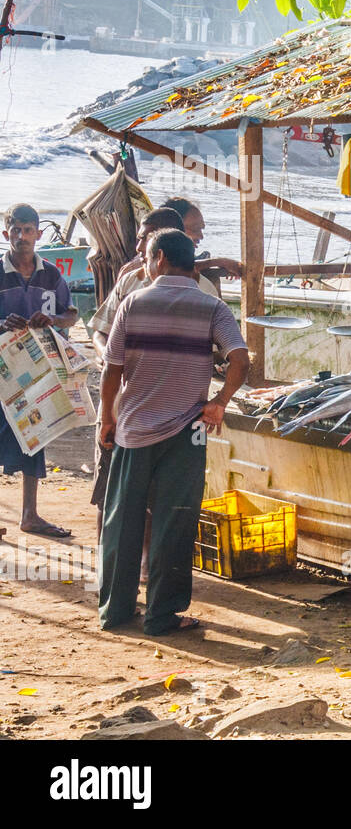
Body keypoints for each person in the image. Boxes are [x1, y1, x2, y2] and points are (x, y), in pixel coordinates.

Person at [98, 229, 249, 635]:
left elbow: (111, 369)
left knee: (122, 522)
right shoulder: (212, 307)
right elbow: (240, 358)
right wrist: (219, 402)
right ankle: (161, 617)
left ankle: (115, 611)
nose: (145, 266)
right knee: (174, 522)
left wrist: (105, 420)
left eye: (147, 258)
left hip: (133, 431)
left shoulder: (133, 302)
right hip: (188, 433)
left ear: (160, 257)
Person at [0, 203, 79, 540]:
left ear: (38, 234)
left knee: (35, 436)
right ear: (6, 234)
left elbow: (71, 313)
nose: (22, 236)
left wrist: (54, 320)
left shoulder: (51, 274)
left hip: (39, 373)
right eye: (15, 230)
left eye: (28, 230)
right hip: (4, 372)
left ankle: (30, 515)